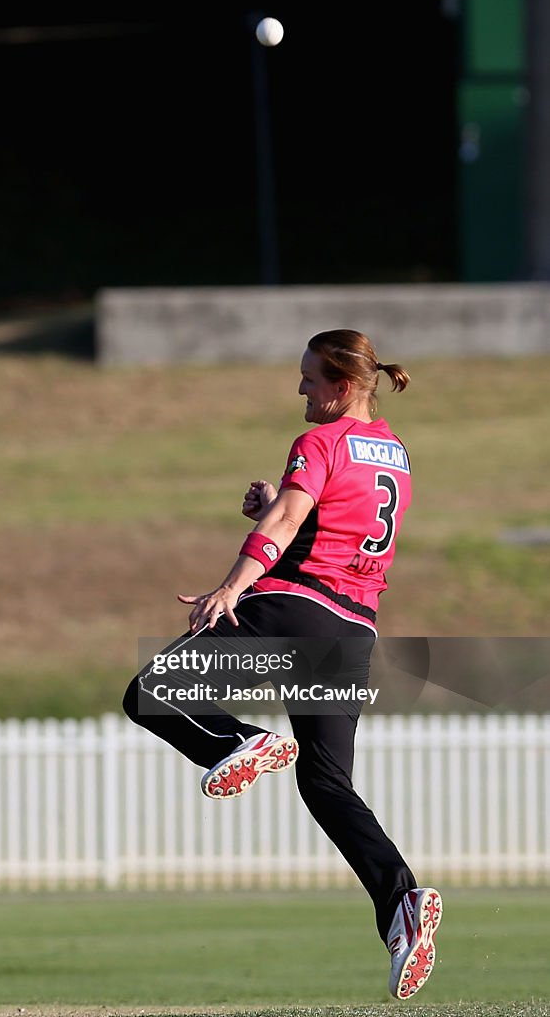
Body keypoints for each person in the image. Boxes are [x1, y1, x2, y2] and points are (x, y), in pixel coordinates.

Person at [123, 329, 442, 1000]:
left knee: (151, 692)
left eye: (308, 377)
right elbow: (331, 522)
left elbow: (292, 524)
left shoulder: (317, 443)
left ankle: (241, 739)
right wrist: (274, 506)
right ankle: (401, 905)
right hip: (351, 630)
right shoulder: (394, 451)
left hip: (294, 609)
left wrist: (230, 585)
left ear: (342, 384)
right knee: (326, 783)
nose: (299, 388)